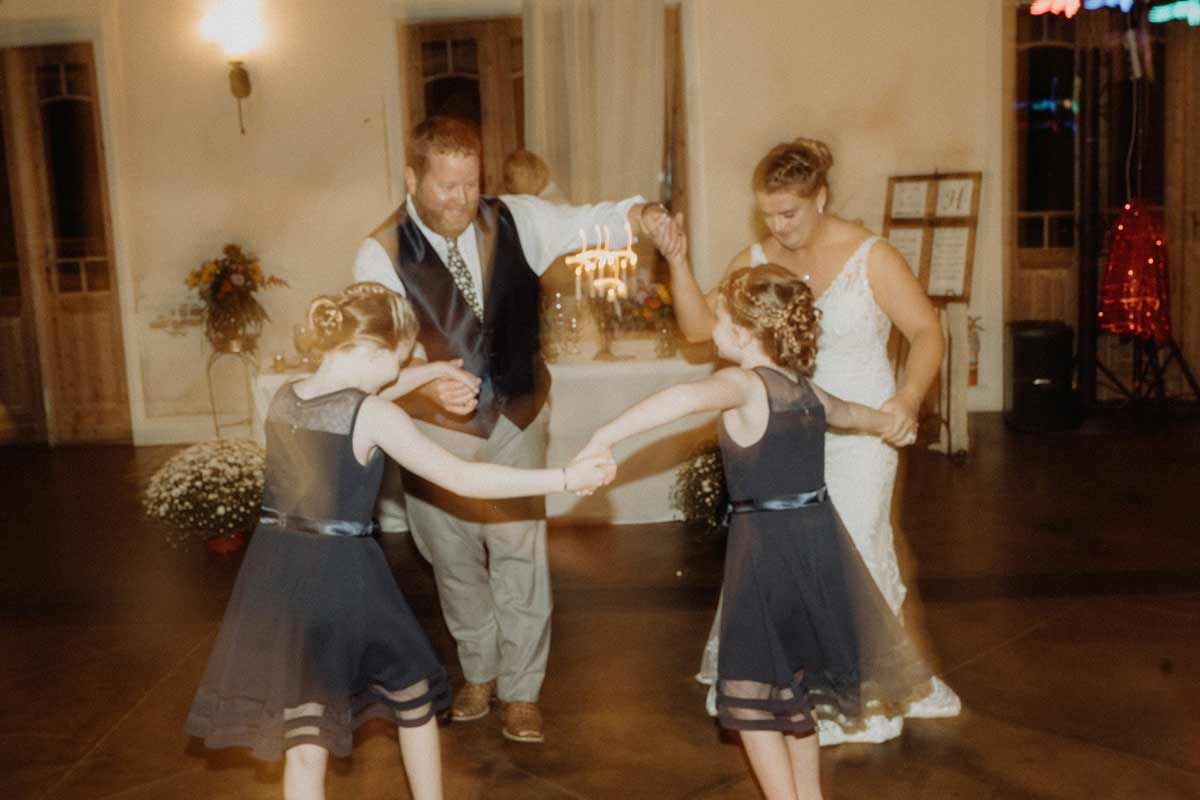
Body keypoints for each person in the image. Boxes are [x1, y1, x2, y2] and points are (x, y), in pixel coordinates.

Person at [185, 283, 612, 800]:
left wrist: (428, 371)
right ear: (368, 350)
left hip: (277, 572)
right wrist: (564, 478)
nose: (397, 371)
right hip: (342, 574)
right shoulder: (375, 416)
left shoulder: (285, 398)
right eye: (398, 358)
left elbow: (353, 401)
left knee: (305, 735)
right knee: (412, 694)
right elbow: (464, 479)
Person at [352, 116, 675, 743]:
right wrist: (423, 377)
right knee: (451, 556)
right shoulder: (378, 252)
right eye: (444, 186)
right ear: (412, 177)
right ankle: (480, 671)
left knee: (520, 553)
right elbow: (376, 347)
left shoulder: (517, 217)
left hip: (519, 413)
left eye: (469, 185)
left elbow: (592, 220)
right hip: (435, 430)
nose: (459, 200)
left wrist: (643, 215)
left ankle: (522, 689)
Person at [576, 266, 932, 800]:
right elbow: (854, 414)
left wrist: (604, 435)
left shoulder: (742, 384)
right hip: (817, 547)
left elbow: (678, 400)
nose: (712, 326)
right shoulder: (803, 389)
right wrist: (892, 423)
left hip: (765, 556)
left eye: (720, 316)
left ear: (745, 332)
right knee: (796, 690)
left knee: (747, 697)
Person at [658, 138, 961, 743]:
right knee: (787, 559)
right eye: (767, 213)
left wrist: (906, 397)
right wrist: (677, 261)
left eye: (789, 212)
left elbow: (927, 329)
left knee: (857, 547)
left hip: (861, 431)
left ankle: (857, 689)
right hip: (788, 436)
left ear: (820, 196)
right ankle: (797, 683)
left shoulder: (870, 255)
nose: (777, 226)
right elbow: (697, 329)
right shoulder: (756, 259)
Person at [502, 148, 570, 204]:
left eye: (521, 173)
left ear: (537, 175)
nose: (511, 182)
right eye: (510, 175)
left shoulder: (548, 202)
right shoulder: (541, 198)